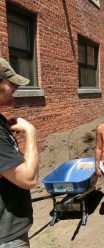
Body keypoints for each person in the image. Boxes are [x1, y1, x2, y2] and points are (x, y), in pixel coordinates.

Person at [0, 57, 39, 247]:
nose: (16, 87)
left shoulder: (1, 120)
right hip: (7, 237)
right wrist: (31, 133)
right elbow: (29, 179)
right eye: (11, 82)